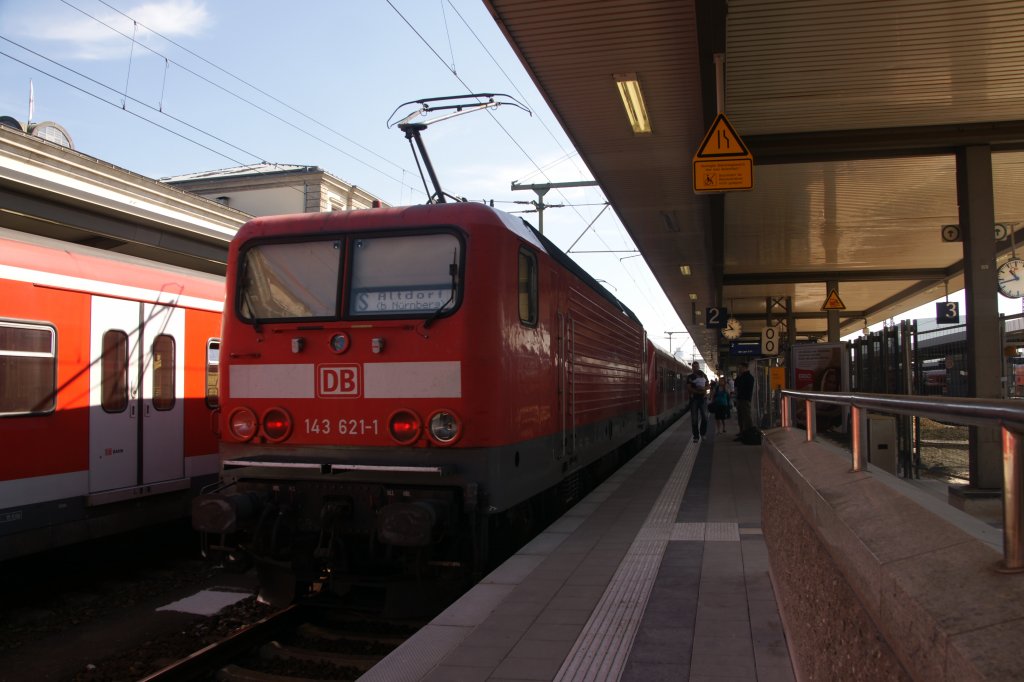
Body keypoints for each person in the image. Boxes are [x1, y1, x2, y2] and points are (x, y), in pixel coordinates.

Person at [686, 360, 710, 442]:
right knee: (694, 418)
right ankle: (696, 436)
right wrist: (699, 391)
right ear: (692, 368)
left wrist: (704, 389)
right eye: (694, 367)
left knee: (705, 417)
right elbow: (689, 388)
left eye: (697, 366)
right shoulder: (689, 377)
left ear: (699, 367)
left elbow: (708, 386)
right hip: (694, 400)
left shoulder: (704, 375)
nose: (695, 368)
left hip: (703, 399)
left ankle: (702, 433)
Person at [734, 364, 755, 438]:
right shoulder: (741, 377)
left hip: (745, 399)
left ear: (744, 368)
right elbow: (736, 384)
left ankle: (748, 432)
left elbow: (743, 387)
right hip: (740, 399)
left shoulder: (749, 377)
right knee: (740, 416)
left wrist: (739, 378)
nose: (739, 370)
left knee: (746, 416)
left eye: (740, 368)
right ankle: (742, 432)